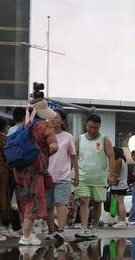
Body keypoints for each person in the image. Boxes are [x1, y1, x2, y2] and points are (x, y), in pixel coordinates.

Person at [12, 101, 58, 247]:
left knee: (23, 201)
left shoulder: (24, 126)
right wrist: (44, 155)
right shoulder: (46, 126)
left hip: (18, 169)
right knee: (33, 202)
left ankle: (29, 233)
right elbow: (54, 147)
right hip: (35, 170)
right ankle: (25, 236)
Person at [74, 114, 115, 239]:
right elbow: (74, 157)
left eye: (96, 128)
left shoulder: (104, 139)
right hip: (82, 177)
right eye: (90, 127)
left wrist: (111, 174)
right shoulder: (79, 139)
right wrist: (74, 173)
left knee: (97, 203)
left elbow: (111, 157)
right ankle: (84, 228)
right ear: (86, 125)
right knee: (83, 200)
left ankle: (95, 227)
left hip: (99, 178)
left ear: (99, 127)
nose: (92, 130)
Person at [46, 109, 76, 242]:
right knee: (48, 206)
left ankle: (61, 230)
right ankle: (51, 230)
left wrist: (77, 174)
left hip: (63, 175)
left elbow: (73, 157)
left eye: (56, 118)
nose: (52, 119)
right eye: (51, 117)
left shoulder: (68, 137)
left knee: (60, 203)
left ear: (63, 121)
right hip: (46, 175)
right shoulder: (44, 135)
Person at [109, 147, 130, 229]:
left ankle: (122, 221)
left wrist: (110, 176)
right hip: (122, 184)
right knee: (119, 203)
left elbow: (116, 174)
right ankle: (121, 220)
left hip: (119, 185)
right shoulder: (123, 160)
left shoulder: (118, 160)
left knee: (120, 203)